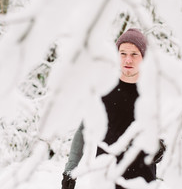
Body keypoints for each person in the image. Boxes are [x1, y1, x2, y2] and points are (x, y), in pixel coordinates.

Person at [61, 28, 165, 189]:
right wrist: (70, 169)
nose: (128, 60)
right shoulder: (104, 89)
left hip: (142, 182)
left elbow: (170, 131)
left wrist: (162, 147)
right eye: (123, 54)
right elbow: (83, 130)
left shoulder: (153, 92)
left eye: (134, 54)